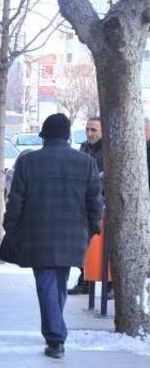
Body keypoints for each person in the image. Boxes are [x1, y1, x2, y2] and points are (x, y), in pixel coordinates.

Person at [0, 113, 103, 359]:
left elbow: (16, 200)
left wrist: (10, 226)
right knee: (57, 284)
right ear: (67, 135)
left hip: (38, 233)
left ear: (44, 134)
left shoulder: (28, 161)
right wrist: (93, 227)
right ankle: (55, 332)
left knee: (47, 284)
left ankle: (56, 338)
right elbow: (94, 202)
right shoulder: (86, 162)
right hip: (73, 236)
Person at [69, 116, 104, 295]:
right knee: (84, 243)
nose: (89, 133)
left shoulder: (108, 150)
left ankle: (110, 285)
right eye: (87, 129)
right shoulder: (84, 147)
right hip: (83, 202)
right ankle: (84, 279)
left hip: (102, 203)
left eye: (93, 130)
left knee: (103, 246)